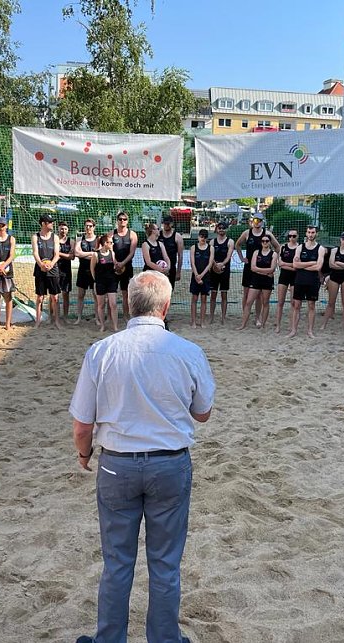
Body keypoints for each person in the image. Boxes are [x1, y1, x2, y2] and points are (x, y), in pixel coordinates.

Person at [70, 270, 215, 643]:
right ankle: (165, 639)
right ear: (165, 307)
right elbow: (203, 412)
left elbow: (82, 423)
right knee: (165, 564)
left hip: (117, 463)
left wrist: (84, 454)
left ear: (129, 302)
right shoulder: (188, 351)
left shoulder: (101, 350)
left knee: (117, 563)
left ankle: (109, 639)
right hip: (169, 463)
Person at [235, 213, 280, 324]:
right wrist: (242, 258)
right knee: (246, 294)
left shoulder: (267, 234)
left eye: (259, 220)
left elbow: (278, 247)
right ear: (252, 221)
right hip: (249, 267)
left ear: (262, 221)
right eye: (255, 220)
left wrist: (273, 261)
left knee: (259, 296)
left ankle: (257, 318)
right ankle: (245, 316)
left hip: (263, 269)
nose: (257, 222)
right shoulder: (247, 233)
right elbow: (237, 245)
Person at [288, 225, 324, 339]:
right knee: (296, 305)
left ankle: (310, 331)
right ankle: (293, 330)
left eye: (313, 232)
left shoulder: (320, 249)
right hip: (300, 279)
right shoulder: (300, 247)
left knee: (311, 305)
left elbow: (318, 267)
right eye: (309, 232)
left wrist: (302, 265)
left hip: (313, 281)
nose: (310, 234)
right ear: (306, 233)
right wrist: (311, 263)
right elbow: (295, 265)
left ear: (316, 234)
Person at [239, 234, 277, 330]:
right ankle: (243, 324)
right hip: (256, 280)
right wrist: (265, 272)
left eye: (267, 241)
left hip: (267, 282)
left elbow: (272, 269)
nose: (265, 243)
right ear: (261, 242)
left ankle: (263, 325)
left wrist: (259, 270)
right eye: (263, 241)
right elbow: (252, 268)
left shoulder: (273, 254)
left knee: (265, 302)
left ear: (270, 242)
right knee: (248, 302)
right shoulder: (256, 252)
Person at [32, 213, 63, 329]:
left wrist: (51, 264)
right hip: (40, 269)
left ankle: (56, 321)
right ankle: (38, 321)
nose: (52, 224)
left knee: (55, 297)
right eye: (50, 222)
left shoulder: (54, 237)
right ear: (44, 223)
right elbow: (35, 253)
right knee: (40, 297)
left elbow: (57, 254)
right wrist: (41, 264)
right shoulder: (35, 236)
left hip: (52, 269)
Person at [322, 231, 344, 331]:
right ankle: (324, 324)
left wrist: (339, 263)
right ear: (340, 239)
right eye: (343, 239)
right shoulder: (334, 250)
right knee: (331, 303)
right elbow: (331, 265)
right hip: (334, 277)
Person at [112, 211, 138, 320]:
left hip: (127, 267)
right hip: (113, 267)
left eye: (124, 219)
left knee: (126, 294)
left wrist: (122, 263)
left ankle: (126, 316)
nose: (122, 221)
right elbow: (108, 249)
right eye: (120, 219)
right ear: (117, 221)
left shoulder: (132, 234)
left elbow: (132, 253)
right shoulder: (112, 234)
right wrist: (115, 262)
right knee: (111, 293)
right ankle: (110, 317)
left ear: (127, 221)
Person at [91, 233, 119, 332]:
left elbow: (115, 266)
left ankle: (115, 326)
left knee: (113, 304)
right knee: (101, 305)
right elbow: (92, 269)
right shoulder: (96, 254)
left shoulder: (112, 253)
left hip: (111, 281)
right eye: (110, 242)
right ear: (105, 243)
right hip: (100, 282)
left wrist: (118, 267)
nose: (112, 244)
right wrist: (96, 281)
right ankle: (102, 325)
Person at [208, 222, 234, 325]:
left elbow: (229, 256)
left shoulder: (230, 241)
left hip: (225, 270)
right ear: (216, 229)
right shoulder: (212, 242)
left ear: (226, 229)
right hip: (214, 270)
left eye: (223, 228)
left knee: (224, 294)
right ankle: (211, 317)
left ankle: (223, 317)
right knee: (213, 294)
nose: (221, 230)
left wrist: (222, 264)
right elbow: (211, 256)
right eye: (219, 228)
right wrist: (215, 265)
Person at [274, 229, 299, 333]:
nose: (291, 238)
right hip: (283, 276)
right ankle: (278, 325)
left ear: (297, 236)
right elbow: (279, 263)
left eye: (294, 236)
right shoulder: (283, 247)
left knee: (294, 303)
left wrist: (286, 264)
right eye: (290, 236)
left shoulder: (299, 248)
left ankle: (291, 325)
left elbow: (296, 267)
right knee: (280, 302)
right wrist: (290, 265)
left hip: (295, 277)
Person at [74, 219, 98, 325]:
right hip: (82, 270)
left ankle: (97, 318)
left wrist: (84, 254)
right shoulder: (80, 239)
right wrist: (91, 254)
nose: (88, 228)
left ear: (94, 227)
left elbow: (98, 255)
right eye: (86, 226)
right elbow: (76, 253)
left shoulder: (98, 239)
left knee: (96, 295)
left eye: (90, 226)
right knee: (80, 295)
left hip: (95, 270)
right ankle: (79, 318)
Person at [189, 228, 212, 328]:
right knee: (194, 298)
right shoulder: (193, 247)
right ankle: (193, 321)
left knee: (203, 299)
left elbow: (210, 264)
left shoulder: (210, 248)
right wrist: (197, 275)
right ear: (198, 237)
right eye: (201, 236)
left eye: (205, 237)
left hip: (205, 276)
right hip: (195, 275)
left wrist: (201, 275)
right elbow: (192, 263)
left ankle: (202, 321)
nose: (203, 238)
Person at [160, 214, 185, 288]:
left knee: (169, 290)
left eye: (168, 224)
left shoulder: (177, 237)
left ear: (172, 224)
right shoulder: (158, 235)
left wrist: (178, 272)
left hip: (171, 268)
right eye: (165, 223)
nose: (166, 225)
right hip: (158, 267)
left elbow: (180, 256)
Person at [57, 221, 74, 321]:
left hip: (66, 270)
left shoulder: (71, 241)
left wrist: (59, 254)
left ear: (68, 230)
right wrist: (65, 255)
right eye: (61, 228)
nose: (63, 230)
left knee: (65, 294)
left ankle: (65, 316)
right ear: (58, 229)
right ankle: (55, 316)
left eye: (65, 229)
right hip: (55, 269)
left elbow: (72, 257)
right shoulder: (54, 240)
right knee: (54, 295)